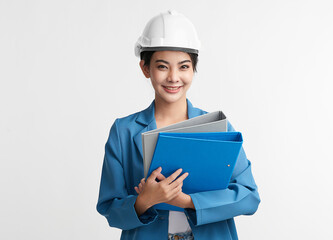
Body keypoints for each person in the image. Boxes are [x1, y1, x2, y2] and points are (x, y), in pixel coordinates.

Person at [96, 10, 260, 240]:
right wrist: (145, 201)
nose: (174, 77)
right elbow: (109, 209)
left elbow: (249, 197)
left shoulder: (219, 128)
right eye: (162, 66)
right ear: (146, 68)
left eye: (183, 66)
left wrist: (186, 201)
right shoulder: (123, 132)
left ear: (193, 69)